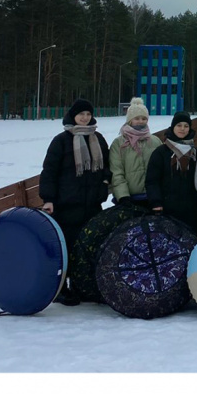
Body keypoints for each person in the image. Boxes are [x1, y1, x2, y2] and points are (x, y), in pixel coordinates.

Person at [39, 98, 111, 305]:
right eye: (81, 115)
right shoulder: (61, 140)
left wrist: (105, 181)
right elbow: (49, 171)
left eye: (88, 114)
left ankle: (81, 287)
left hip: (91, 204)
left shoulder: (98, 138)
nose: (85, 118)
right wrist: (49, 199)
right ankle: (61, 288)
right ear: (73, 116)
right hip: (67, 204)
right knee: (66, 248)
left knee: (87, 247)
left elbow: (107, 164)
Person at [146, 111, 197, 230]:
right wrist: (156, 202)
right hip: (167, 209)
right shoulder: (161, 152)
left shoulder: (195, 152)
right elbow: (152, 180)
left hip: (191, 209)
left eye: (186, 126)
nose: (182, 129)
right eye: (179, 125)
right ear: (173, 127)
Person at [109, 97, 162, 209]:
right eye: (137, 118)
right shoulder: (119, 143)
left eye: (144, 118)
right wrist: (123, 196)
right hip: (129, 198)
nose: (141, 121)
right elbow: (116, 172)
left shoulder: (155, 141)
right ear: (130, 120)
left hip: (152, 197)